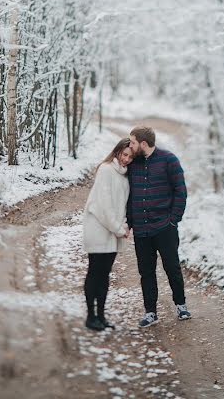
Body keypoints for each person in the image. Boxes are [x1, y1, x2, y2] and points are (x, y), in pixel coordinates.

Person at [126, 126, 191, 328]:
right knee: (146, 271)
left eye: (133, 142)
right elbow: (128, 196)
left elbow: (181, 192)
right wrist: (129, 222)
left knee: (172, 267)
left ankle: (181, 305)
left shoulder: (169, 160)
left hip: (165, 227)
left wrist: (173, 220)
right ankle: (150, 312)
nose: (130, 145)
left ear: (143, 144)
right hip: (141, 229)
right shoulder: (133, 164)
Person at [82, 138, 134, 331]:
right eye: (124, 154)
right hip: (98, 229)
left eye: (130, 156)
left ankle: (101, 316)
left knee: (104, 275)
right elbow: (103, 207)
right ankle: (90, 316)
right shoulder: (106, 170)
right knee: (94, 272)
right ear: (117, 151)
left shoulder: (125, 176)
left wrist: (124, 225)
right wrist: (119, 229)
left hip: (112, 232)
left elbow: (122, 206)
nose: (126, 159)